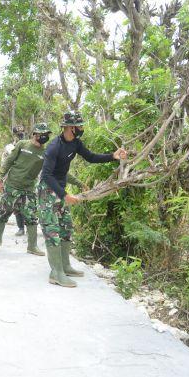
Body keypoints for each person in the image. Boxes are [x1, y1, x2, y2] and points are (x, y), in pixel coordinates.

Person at [39, 111, 127, 288]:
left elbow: (91, 157)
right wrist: (65, 195)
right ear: (70, 127)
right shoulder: (54, 147)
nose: (82, 128)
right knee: (52, 231)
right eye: (79, 126)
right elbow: (47, 175)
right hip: (48, 191)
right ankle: (56, 273)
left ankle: (65, 266)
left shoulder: (76, 143)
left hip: (60, 190)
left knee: (66, 228)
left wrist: (113, 156)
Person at [0, 123, 52, 256]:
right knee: (3, 213)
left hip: (28, 189)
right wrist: (0, 176)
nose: (45, 136)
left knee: (31, 217)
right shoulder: (22, 145)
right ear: (35, 134)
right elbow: (9, 160)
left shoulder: (46, 153)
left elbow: (50, 171)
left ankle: (32, 246)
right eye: (42, 134)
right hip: (12, 186)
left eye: (47, 134)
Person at [1, 125, 27, 236]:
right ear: (14, 135)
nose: (20, 135)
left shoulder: (30, 146)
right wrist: (3, 179)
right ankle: (21, 228)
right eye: (18, 134)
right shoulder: (9, 148)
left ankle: (29, 227)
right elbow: (5, 164)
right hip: (13, 180)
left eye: (22, 133)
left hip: (27, 180)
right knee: (16, 205)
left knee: (28, 205)